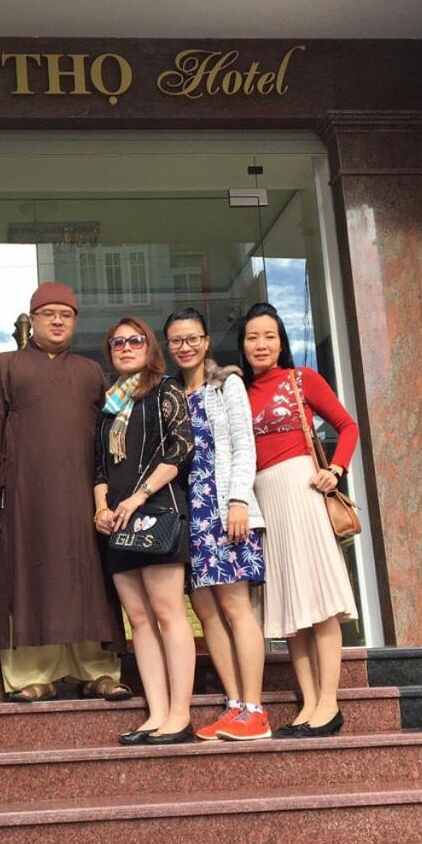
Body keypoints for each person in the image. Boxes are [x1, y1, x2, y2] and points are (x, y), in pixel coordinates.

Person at [0, 282, 132, 703]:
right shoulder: (5, 366)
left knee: (89, 579)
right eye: (49, 314)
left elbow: (110, 437)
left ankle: (96, 671)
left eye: (66, 314)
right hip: (26, 494)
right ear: (33, 319)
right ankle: (32, 674)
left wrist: (113, 498)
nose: (58, 321)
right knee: (32, 578)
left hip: (85, 494)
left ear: (75, 321)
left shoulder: (90, 372)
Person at [241, 302, 360, 738]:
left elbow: (347, 426)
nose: (261, 344)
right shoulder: (239, 393)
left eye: (269, 336)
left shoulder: (301, 379)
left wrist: (337, 470)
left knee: (320, 603)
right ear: (242, 344)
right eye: (252, 337)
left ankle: (329, 703)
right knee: (291, 605)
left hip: (302, 493)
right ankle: (308, 703)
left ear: (281, 342)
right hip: (264, 499)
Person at [165, 309, 270, 742]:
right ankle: (234, 706)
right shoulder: (170, 394)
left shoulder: (226, 384)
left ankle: (256, 710)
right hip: (189, 514)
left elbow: (244, 445)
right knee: (207, 612)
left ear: (206, 341)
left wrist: (238, 500)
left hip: (224, 509)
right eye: (176, 340)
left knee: (235, 607)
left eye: (192, 338)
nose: (185, 347)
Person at [93, 317, 196, 745]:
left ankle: (180, 715)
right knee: (138, 619)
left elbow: (180, 449)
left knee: (168, 613)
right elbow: (100, 467)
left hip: (157, 509)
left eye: (135, 340)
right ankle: (155, 714)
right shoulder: (108, 405)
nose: (126, 347)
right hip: (117, 520)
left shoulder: (165, 389)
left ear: (149, 347)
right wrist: (100, 508)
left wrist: (138, 497)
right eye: (117, 342)